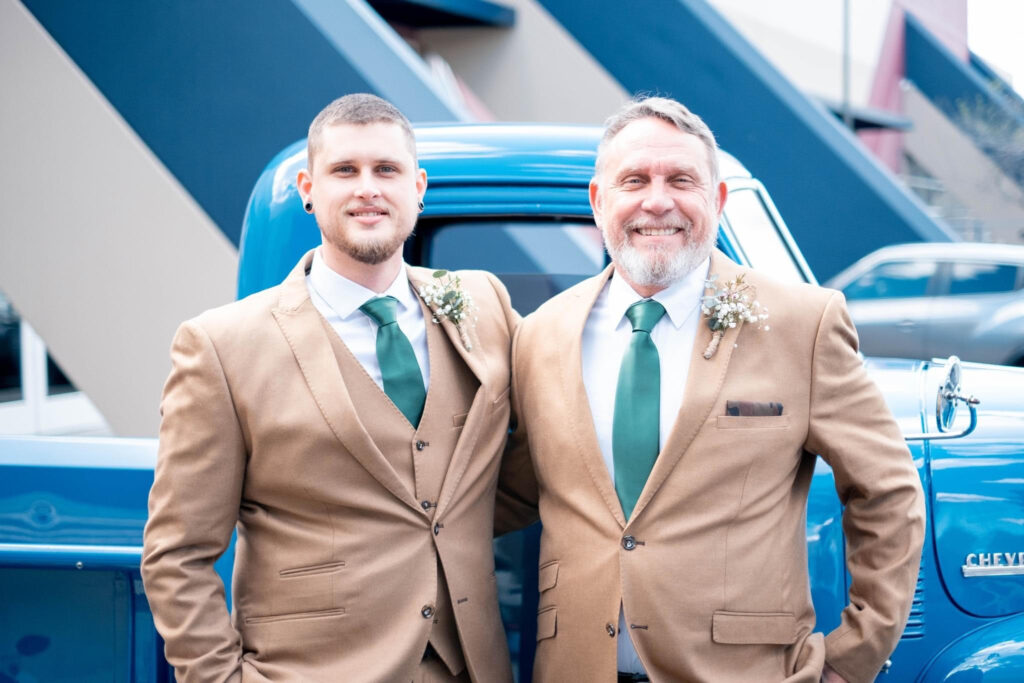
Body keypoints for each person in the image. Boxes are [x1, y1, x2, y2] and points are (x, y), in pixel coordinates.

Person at [497, 97, 925, 682]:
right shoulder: (540, 334)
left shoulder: (803, 323)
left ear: (716, 201)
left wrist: (851, 662)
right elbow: (514, 490)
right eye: (634, 180)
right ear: (598, 202)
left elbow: (888, 493)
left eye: (681, 180)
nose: (657, 200)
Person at [142, 93, 518, 682]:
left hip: (471, 666)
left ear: (418, 187)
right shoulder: (221, 345)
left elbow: (555, 439)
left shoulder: (484, 304)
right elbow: (177, 555)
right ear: (307, 188)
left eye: (386, 170)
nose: (367, 188)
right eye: (345, 170)